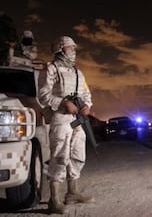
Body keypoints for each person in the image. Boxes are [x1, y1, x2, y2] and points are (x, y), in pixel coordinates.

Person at [38, 36, 95, 214]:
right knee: (60, 156)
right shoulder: (50, 69)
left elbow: (86, 93)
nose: (74, 51)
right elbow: (43, 95)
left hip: (77, 119)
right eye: (71, 48)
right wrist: (63, 103)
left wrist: (87, 106)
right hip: (60, 118)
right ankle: (54, 200)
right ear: (60, 49)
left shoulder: (78, 72)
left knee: (78, 154)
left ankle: (72, 192)